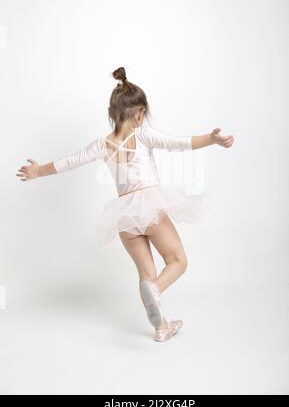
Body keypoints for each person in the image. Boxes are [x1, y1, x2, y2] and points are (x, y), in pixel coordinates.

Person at [16, 66, 235, 342]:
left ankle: (161, 326)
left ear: (110, 114)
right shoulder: (143, 135)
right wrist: (212, 140)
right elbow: (178, 143)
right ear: (141, 113)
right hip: (150, 208)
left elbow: (69, 162)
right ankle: (156, 291)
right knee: (177, 260)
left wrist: (38, 171)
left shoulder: (102, 144)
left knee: (146, 273)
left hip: (124, 217)